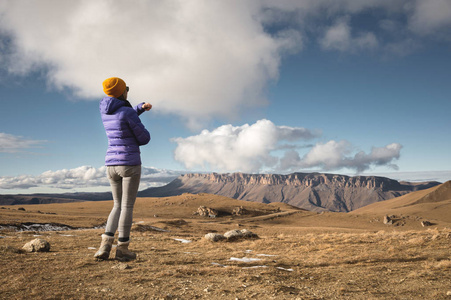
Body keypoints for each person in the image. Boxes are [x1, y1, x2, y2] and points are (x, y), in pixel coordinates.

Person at [94, 77, 152, 261]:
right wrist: (137, 118)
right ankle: (123, 249)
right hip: (129, 163)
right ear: (122, 92)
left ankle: (104, 247)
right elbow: (144, 138)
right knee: (127, 206)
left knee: (116, 205)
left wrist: (140, 108)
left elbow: (124, 114)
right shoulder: (127, 113)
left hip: (111, 164)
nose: (128, 90)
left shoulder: (105, 111)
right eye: (126, 88)